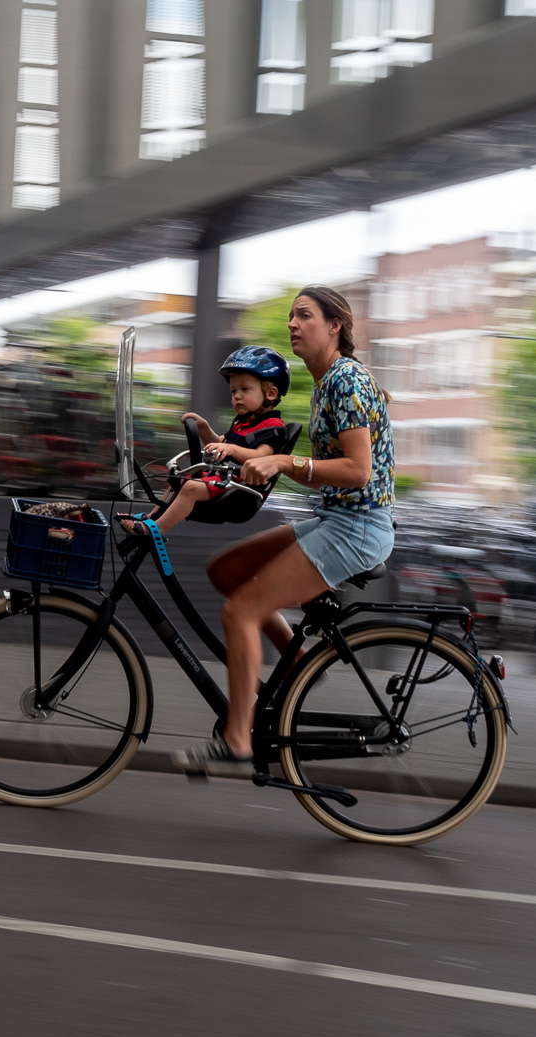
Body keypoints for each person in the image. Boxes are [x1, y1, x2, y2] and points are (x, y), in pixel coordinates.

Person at [179, 285, 395, 777]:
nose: (293, 324)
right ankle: (296, 667)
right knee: (226, 570)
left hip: (358, 527)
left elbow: (358, 471)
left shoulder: (346, 381)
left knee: (241, 611)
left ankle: (237, 739)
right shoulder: (326, 385)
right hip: (337, 518)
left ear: (335, 325)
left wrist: (280, 459)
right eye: (290, 316)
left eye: (304, 316)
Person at [121, 346, 291, 535]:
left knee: (191, 487)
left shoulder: (272, 427)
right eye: (233, 391)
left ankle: (155, 529)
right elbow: (220, 443)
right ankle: (151, 518)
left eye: (245, 389)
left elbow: (262, 457)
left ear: (271, 394)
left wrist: (231, 450)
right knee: (179, 478)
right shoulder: (243, 423)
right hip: (222, 479)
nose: (237, 396)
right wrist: (204, 428)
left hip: (237, 488)